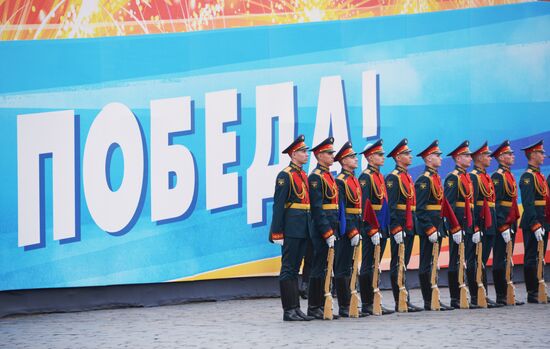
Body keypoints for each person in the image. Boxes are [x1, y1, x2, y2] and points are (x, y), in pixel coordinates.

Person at [269, 134, 315, 321]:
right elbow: (279, 205)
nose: (306, 154)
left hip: (303, 227)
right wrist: (276, 231)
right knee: (288, 269)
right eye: (303, 151)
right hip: (291, 228)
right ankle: (288, 309)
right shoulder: (285, 175)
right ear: (293, 154)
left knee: (296, 269)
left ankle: (296, 308)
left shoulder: (303, 175)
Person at [415, 140, 456, 311]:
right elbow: (420, 208)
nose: (440, 158)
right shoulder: (424, 181)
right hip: (429, 228)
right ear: (428, 159)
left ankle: (434, 298)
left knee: (434, 263)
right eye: (437, 155)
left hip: (437, 225)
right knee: (426, 263)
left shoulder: (436, 178)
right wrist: (429, 228)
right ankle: (428, 300)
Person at [385, 138, 423, 312]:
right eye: (406, 154)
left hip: (409, 223)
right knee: (398, 263)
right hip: (400, 224)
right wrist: (396, 228)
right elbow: (391, 206)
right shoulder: (393, 178)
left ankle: (405, 299)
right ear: (398, 157)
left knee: (404, 263)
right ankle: (400, 299)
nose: (410, 156)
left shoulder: (406, 176)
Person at [358, 139, 395, 315]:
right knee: (368, 264)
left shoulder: (379, 176)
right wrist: (371, 229)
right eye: (379, 155)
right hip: (372, 227)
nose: (383, 157)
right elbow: (365, 206)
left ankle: (375, 300)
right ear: (370, 157)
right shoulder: (366, 177)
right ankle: (367, 302)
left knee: (376, 264)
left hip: (382, 224)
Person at [444, 140, 479, 309]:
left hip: (469, 223)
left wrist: (475, 226)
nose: (470, 157)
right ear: (458, 158)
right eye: (466, 155)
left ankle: (467, 294)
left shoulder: (467, 177)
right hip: (459, 224)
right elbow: (449, 206)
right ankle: (455, 297)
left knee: (467, 259)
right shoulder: (453, 178)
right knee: (456, 260)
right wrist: (455, 227)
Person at [306, 137, 339, 319]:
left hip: (331, 225)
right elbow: (317, 208)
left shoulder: (328, 176)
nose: (332, 156)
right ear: (319, 156)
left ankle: (322, 303)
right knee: (318, 267)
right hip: (321, 228)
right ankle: (314, 306)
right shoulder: (316, 178)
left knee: (327, 267)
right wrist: (327, 232)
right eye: (328, 153)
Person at [334, 141, 367, 317]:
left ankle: (352, 302)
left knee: (351, 266)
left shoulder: (354, 179)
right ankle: (345, 305)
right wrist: (352, 230)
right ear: (344, 161)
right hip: (346, 227)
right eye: (352, 157)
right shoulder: (340, 181)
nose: (356, 159)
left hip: (356, 224)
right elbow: (342, 209)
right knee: (342, 267)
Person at [490, 140, 524, 305]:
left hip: (510, 221)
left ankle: (508, 294)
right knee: (499, 258)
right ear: (501, 157)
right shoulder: (498, 176)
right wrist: (502, 225)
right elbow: (496, 203)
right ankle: (501, 295)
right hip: (502, 222)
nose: (513, 156)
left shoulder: (509, 175)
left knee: (507, 256)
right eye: (509, 154)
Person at [469, 142, 502, 308]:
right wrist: (475, 227)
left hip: (490, 222)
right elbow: (473, 204)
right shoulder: (474, 177)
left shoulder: (486, 176)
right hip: (480, 224)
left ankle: (484, 294)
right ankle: (476, 295)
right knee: (477, 260)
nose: (490, 158)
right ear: (480, 158)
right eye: (487, 155)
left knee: (483, 260)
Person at [519, 140, 550, 303]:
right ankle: (532, 292)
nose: (544, 155)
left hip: (542, 220)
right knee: (532, 256)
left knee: (540, 256)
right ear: (532, 155)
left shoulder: (540, 175)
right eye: (541, 153)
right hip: (533, 222)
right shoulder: (527, 177)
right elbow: (528, 203)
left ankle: (540, 288)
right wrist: (535, 224)